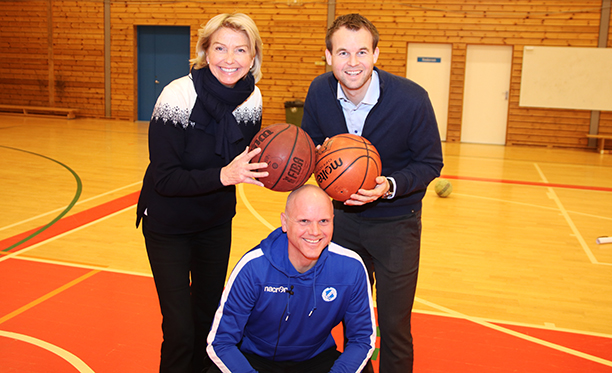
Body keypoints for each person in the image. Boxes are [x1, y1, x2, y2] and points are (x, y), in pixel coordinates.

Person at [301, 13, 444, 373]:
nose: (353, 63)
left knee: (395, 326)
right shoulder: (319, 92)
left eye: (362, 52)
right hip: (344, 224)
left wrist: (388, 187)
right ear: (328, 56)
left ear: (376, 55)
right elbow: (313, 151)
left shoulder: (412, 99)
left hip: (397, 224)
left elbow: (430, 163)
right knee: (353, 322)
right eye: (343, 53)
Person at [136, 13, 268, 373]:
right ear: (205, 51)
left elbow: (245, 157)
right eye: (221, 48)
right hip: (168, 224)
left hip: (214, 222)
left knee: (209, 321)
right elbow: (164, 179)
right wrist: (224, 176)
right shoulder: (176, 96)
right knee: (179, 329)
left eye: (241, 49)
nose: (230, 58)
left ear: (253, 56)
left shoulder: (252, 98)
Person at [206, 184, 377, 373]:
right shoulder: (253, 268)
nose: (315, 231)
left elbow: (362, 339)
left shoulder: (350, 267)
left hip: (316, 359)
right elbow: (221, 342)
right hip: (256, 359)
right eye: (304, 221)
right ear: (285, 222)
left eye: (324, 221)